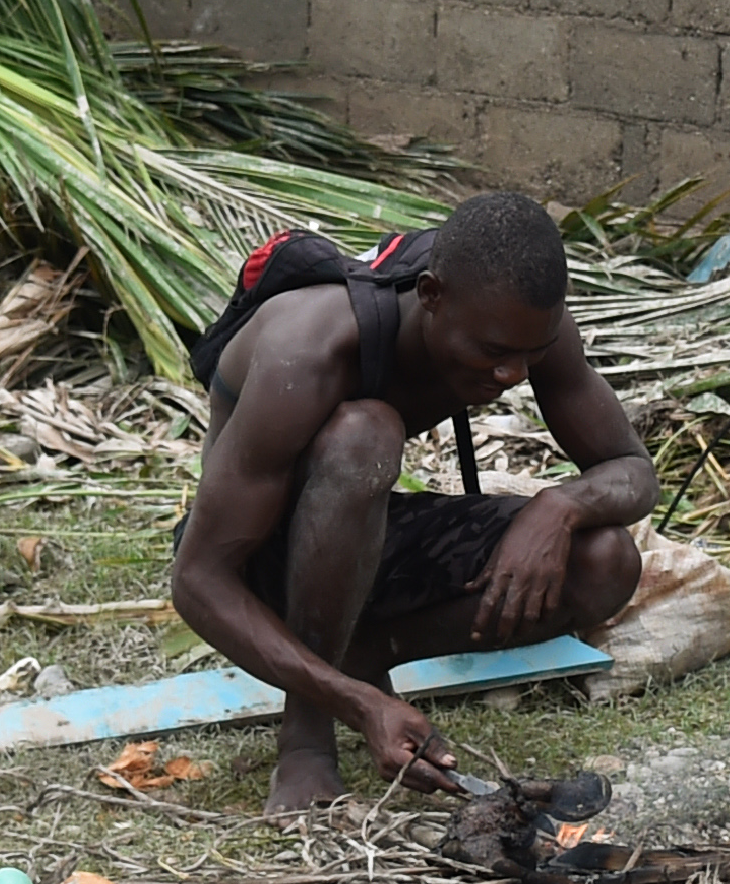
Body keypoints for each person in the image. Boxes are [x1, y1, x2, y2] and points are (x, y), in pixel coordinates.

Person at [169, 190, 656, 808]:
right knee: (363, 436)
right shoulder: (309, 349)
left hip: (356, 544)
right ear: (431, 297)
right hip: (258, 561)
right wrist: (356, 705)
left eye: (528, 355)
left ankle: (364, 652)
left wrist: (559, 507)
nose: (511, 376)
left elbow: (633, 472)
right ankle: (307, 737)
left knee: (604, 558)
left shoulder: (527, 325)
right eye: (494, 352)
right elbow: (199, 577)